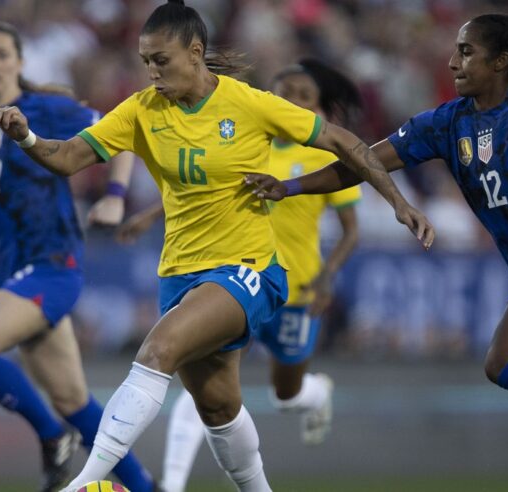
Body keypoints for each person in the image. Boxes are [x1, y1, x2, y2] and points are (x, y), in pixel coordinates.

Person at [0, 2, 431, 491]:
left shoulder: (249, 103)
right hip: (180, 273)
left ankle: (84, 483)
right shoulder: (140, 111)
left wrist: (397, 201)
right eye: (145, 61)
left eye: (162, 60)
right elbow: (68, 158)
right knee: (218, 407)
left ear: (195, 53)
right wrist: (25, 136)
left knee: (156, 353)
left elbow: (345, 142)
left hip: (249, 268)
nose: (152, 72)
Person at [246, 13, 508, 491]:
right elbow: (361, 163)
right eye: (455, 50)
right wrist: (290, 187)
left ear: (501, 61)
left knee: (504, 361)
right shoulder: (445, 123)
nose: (453, 61)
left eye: (467, 52)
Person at [0, 21, 157, 492]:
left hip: (53, 265)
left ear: (19, 61)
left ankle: (52, 438)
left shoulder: (47, 109)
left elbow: (124, 132)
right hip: (10, 273)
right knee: (74, 399)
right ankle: (145, 487)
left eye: (0, 54)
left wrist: (114, 194)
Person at [115, 58, 363, 492]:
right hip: (236, 277)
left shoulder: (320, 154)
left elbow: (351, 231)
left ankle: (316, 393)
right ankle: (171, 484)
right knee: (206, 388)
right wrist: (150, 215)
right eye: (284, 91)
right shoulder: (249, 137)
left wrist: (327, 277)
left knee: (285, 397)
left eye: (303, 97)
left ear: (317, 106)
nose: (292, 101)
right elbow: (203, 187)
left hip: (296, 292)